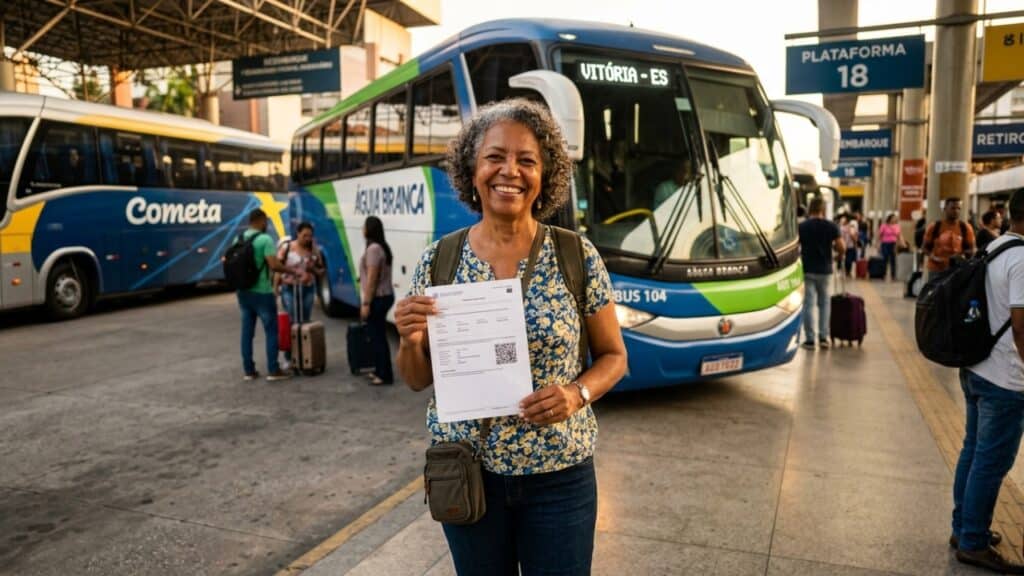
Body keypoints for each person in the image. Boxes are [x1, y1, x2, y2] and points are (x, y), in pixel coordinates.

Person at [394, 98, 628, 575]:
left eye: (527, 161)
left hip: (559, 477)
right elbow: (417, 380)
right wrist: (409, 339)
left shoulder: (575, 256)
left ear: (545, 176)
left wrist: (576, 393)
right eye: (495, 157)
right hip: (468, 471)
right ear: (471, 169)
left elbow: (614, 356)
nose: (510, 172)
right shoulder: (439, 261)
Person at [951, 191, 1024, 574]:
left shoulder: (995, 247)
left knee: (972, 450)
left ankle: (963, 528)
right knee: (991, 461)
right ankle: (973, 542)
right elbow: (1020, 325)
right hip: (1005, 378)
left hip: (976, 368)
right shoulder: (1023, 258)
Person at [236, 209, 292, 381]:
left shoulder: (238, 239)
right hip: (262, 292)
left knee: (247, 332)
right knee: (271, 331)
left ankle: (249, 371)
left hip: (243, 292)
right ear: (260, 221)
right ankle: (273, 370)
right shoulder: (265, 239)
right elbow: (274, 265)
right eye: (265, 221)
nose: (266, 224)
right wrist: (290, 270)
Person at [275, 222, 325, 369]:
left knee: (304, 321)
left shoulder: (312, 249)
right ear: (298, 233)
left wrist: (315, 253)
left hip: (307, 289)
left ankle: (305, 355)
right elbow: (278, 267)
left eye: (310, 236)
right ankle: (289, 358)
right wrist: (275, 287)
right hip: (289, 288)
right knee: (292, 322)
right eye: (305, 235)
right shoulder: (287, 247)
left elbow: (320, 270)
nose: (307, 239)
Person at [798, 197, 845, 350]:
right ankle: (824, 338)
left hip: (807, 270)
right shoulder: (831, 226)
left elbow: (794, 248)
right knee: (825, 304)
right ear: (823, 209)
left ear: (809, 208)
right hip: (825, 270)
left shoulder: (802, 226)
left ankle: (810, 340)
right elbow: (842, 247)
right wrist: (837, 256)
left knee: (808, 305)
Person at [359, 215, 395, 386]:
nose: (362, 229)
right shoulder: (382, 247)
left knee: (377, 336)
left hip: (378, 297)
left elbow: (373, 278)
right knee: (378, 334)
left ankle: (384, 374)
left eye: (364, 226)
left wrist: (366, 303)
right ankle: (380, 370)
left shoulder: (373, 249)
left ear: (369, 229)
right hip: (385, 295)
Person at [923, 198, 976, 281]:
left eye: (958, 208)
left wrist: (961, 256)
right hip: (936, 270)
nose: (956, 211)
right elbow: (925, 248)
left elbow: (971, 250)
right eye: (953, 208)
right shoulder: (935, 226)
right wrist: (935, 258)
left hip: (957, 270)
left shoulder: (965, 228)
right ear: (945, 209)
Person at [877, 213, 905, 281]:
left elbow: (899, 235)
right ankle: (883, 274)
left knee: (893, 260)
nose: (895, 219)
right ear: (890, 218)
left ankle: (893, 276)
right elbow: (879, 235)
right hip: (885, 244)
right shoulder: (884, 225)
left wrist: (903, 243)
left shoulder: (897, 226)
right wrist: (878, 244)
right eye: (893, 218)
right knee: (884, 259)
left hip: (893, 244)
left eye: (895, 218)